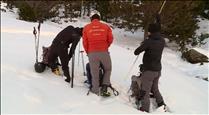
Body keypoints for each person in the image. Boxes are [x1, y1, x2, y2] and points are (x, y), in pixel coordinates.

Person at [134, 14, 166, 112]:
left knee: (145, 91)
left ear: (150, 32)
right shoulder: (162, 40)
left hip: (149, 71)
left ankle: (145, 109)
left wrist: (143, 45)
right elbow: (158, 29)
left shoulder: (149, 41)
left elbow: (136, 52)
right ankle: (161, 103)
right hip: (158, 70)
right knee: (155, 88)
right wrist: (158, 19)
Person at [82, 11, 113, 96]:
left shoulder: (86, 28)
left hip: (92, 52)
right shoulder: (106, 26)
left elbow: (85, 42)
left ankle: (95, 90)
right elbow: (110, 39)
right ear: (99, 18)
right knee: (108, 69)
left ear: (91, 18)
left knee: (94, 72)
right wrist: (105, 46)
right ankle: (104, 87)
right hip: (104, 51)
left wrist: (88, 52)